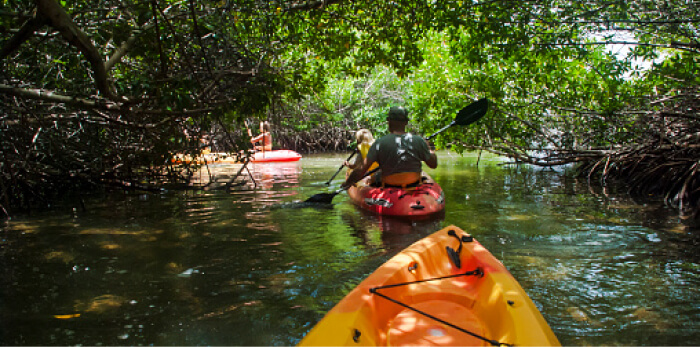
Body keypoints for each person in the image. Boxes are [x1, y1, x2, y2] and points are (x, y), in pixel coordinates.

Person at [341, 106, 437, 190]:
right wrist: (427, 147)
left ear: (389, 121)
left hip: (390, 186)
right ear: (406, 122)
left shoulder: (379, 143)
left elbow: (360, 170)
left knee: (373, 177)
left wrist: (347, 183)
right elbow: (433, 164)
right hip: (414, 183)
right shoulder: (418, 141)